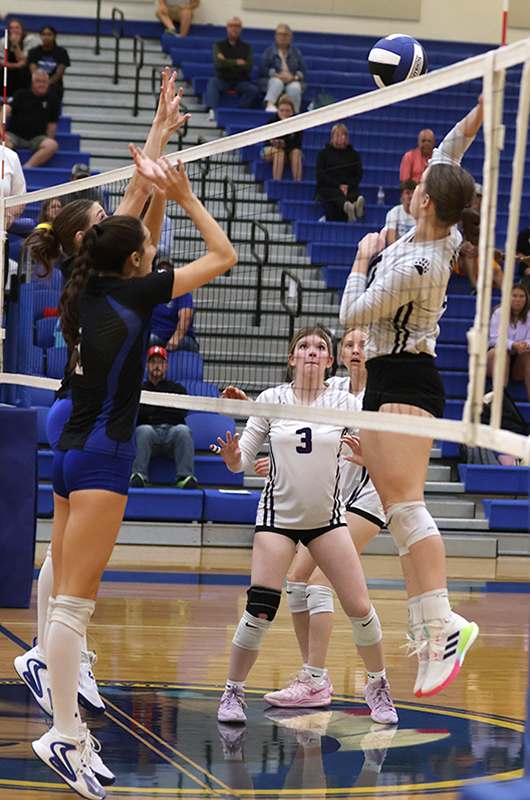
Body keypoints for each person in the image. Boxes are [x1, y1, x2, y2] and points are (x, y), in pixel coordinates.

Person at [30, 150, 237, 799]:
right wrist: (186, 196)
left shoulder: (89, 282)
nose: (153, 247)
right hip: (104, 457)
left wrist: (157, 182)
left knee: (66, 598)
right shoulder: (136, 289)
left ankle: (65, 719)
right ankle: (65, 734)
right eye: (147, 248)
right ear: (136, 263)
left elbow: (129, 228)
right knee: (73, 606)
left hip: (71, 452)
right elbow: (224, 255)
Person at [15, 69, 192, 725]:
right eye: (101, 216)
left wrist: (162, 134)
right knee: (73, 569)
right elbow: (140, 193)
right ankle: (54, 650)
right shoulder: (93, 266)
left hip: (75, 406)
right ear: (85, 238)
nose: (111, 213)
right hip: (87, 415)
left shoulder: (99, 267)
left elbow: (146, 218)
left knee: (63, 555)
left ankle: (50, 649)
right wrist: (158, 135)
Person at [339, 98, 484, 699]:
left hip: (406, 379)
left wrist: (361, 258)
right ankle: (429, 633)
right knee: (399, 517)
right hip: (388, 379)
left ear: (425, 201)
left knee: (406, 509)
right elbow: (452, 146)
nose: (419, 178)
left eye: (422, 181)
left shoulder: (417, 263)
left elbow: (351, 314)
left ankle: (445, 622)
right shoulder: (440, 228)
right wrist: (483, 102)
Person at [214, 326, 397, 726]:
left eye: (319, 347)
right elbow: (242, 461)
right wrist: (232, 458)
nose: (311, 351)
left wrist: (367, 457)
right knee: (260, 608)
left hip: (327, 521)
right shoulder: (271, 400)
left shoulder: (345, 403)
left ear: (329, 361)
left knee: (360, 607)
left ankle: (378, 686)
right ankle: (233, 692)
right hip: (277, 519)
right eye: (303, 346)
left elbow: (377, 456)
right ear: (291, 358)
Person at [129, 345, 198, 489]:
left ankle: (185, 477)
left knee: (183, 431)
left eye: (160, 362)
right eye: (153, 362)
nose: (157, 366)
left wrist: (150, 414)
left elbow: (181, 413)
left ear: (166, 366)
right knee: (143, 430)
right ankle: (138, 476)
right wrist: (165, 411)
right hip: (149, 437)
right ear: (147, 366)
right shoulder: (139, 389)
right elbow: (137, 413)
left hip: (172, 436)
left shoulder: (178, 389)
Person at [203, 18, 260, 122]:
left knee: (253, 90)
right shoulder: (218, 45)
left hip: (240, 81)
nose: (234, 28)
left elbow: (248, 67)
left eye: (237, 26)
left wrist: (226, 61)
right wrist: (237, 62)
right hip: (223, 79)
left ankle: (239, 111)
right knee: (213, 82)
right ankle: (211, 110)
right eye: (231, 25)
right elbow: (219, 64)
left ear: (241, 29)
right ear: (227, 28)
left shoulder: (247, 47)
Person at [5, 69, 60, 168]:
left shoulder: (53, 99)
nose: (41, 84)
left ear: (48, 83)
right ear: (32, 82)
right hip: (14, 135)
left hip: (37, 138)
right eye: (38, 81)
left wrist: (49, 138)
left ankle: (27, 167)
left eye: (44, 82)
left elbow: (52, 123)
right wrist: (1, 131)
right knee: (2, 142)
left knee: (52, 145)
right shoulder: (21, 94)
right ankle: (8, 169)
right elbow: (6, 110)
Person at [487, 283, 530, 403]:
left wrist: (525, 345)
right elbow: (494, 339)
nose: (518, 299)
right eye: (514, 296)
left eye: (521, 296)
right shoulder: (499, 313)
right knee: (501, 353)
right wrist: (513, 345)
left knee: (528, 356)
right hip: (494, 358)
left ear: (526, 299)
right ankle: (498, 398)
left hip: (518, 362)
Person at [455, 184, 503, 292]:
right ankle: (475, 287)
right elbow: (446, 240)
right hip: (457, 256)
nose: (474, 200)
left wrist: (478, 249)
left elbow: (491, 243)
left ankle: (513, 299)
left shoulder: (489, 218)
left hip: (480, 254)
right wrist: (460, 247)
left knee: (497, 274)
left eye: (477, 196)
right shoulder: (455, 216)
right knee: (469, 250)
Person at [316, 125, 364, 223]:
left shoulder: (354, 155)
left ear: (346, 137)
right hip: (330, 186)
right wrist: (339, 185)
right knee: (335, 193)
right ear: (332, 137)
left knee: (354, 191)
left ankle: (356, 205)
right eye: (337, 134)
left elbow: (358, 175)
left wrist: (347, 186)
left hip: (348, 187)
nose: (340, 137)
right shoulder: (323, 154)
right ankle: (347, 206)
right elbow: (321, 175)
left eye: (342, 134)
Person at [258, 24, 307, 114]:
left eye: (286, 35)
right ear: (276, 36)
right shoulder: (269, 52)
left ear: (290, 37)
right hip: (274, 78)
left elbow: (303, 70)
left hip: (291, 80)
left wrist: (294, 78)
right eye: (280, 34)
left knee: (295, 88)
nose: (283, 37)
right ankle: (270, 105)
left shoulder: (296, 52)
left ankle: (294, 112)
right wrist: (276, 75)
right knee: (277, 83)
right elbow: (262, 69)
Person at [149, 267, 199, 353]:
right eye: (161, 269)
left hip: (182, 338)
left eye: (167, 270)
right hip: (156, 336)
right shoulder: (150, 292)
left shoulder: (182, 291)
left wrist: (176, 337)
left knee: (188, 345)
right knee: (149, 341)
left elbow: (186, 316)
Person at [261, 94, 302, 181]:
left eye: (287, 111)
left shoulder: (297, 124)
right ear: (278, 111)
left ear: (292, 112)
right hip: (271, 149)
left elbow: (298, 143)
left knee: (295, 153)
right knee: (279, 153)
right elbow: (267, 141)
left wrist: (285, 144)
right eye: (282, 110)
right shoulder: (272, 122)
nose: (284, 113)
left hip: (290, 150)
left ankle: (297, 183)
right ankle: (277, 182)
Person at [28, 25, 70, 101]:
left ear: (54, 36)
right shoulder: (34, 52)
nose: (46, 37)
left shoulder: (61, 52)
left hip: (54, 85)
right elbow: (33, 71)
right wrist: (39, 83)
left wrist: (45, 84)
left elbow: (59, 73)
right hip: (36, 83)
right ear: (40, 36)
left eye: (49, 34)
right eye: (44, 34)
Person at [5, 18, 37, 99]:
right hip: (9, 72)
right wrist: (15, 65)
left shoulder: (30, 40)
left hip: (24, 75)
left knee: (23, 71)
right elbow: (2, 62)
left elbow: (23, 60)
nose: (14, 31)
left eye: (17, 28)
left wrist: (15, 44)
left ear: (22, 29)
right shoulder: (3, 42)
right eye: (11, 28)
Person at [385, 180, 417, 245]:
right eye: (407, 193)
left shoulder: (422, 214)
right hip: (398, 249)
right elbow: (391, 241)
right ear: (402, 195)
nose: (411, 196)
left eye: (413, 193)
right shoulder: (393, 213)